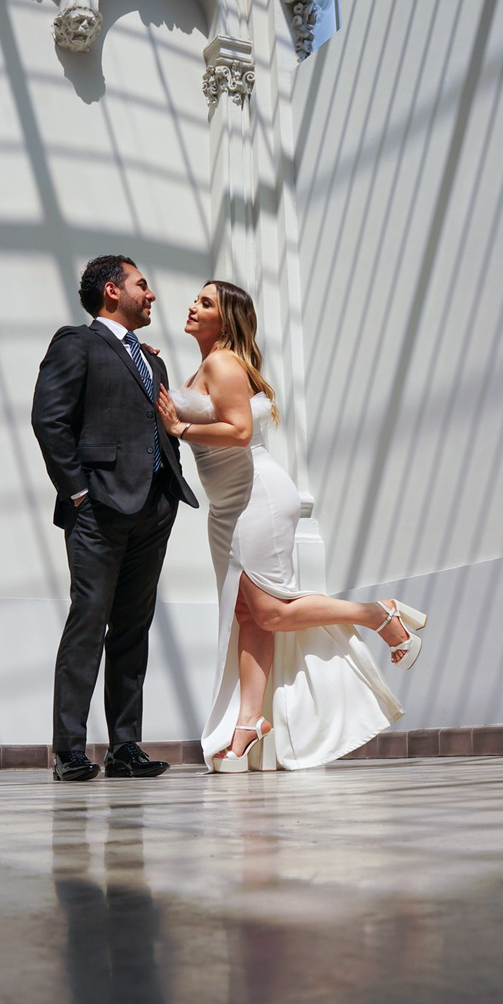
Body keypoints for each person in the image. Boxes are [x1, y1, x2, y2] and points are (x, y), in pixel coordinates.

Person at [156, 280, 428, 773]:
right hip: (227, 505)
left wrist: (181, 428)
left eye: (206, 302)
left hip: (254, 496)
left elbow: (240, 432)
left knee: (269, 610)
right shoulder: (205, 365)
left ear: (226, 318)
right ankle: (247, 726)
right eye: (196, 299)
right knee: (250, 615)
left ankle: (377, 614)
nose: (192, 306)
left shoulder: (222, 363)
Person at [32, 255, 199, 782]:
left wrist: (168, 488)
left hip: (154, 508)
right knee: (88, 621)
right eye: (141, 285)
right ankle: (69, 751)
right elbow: (49, 420)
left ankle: (125, 746)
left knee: (133, 627)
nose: (151, 295)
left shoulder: (152, 360)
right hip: (98, 509)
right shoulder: (76, 343)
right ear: (112, 291)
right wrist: (79, 492)